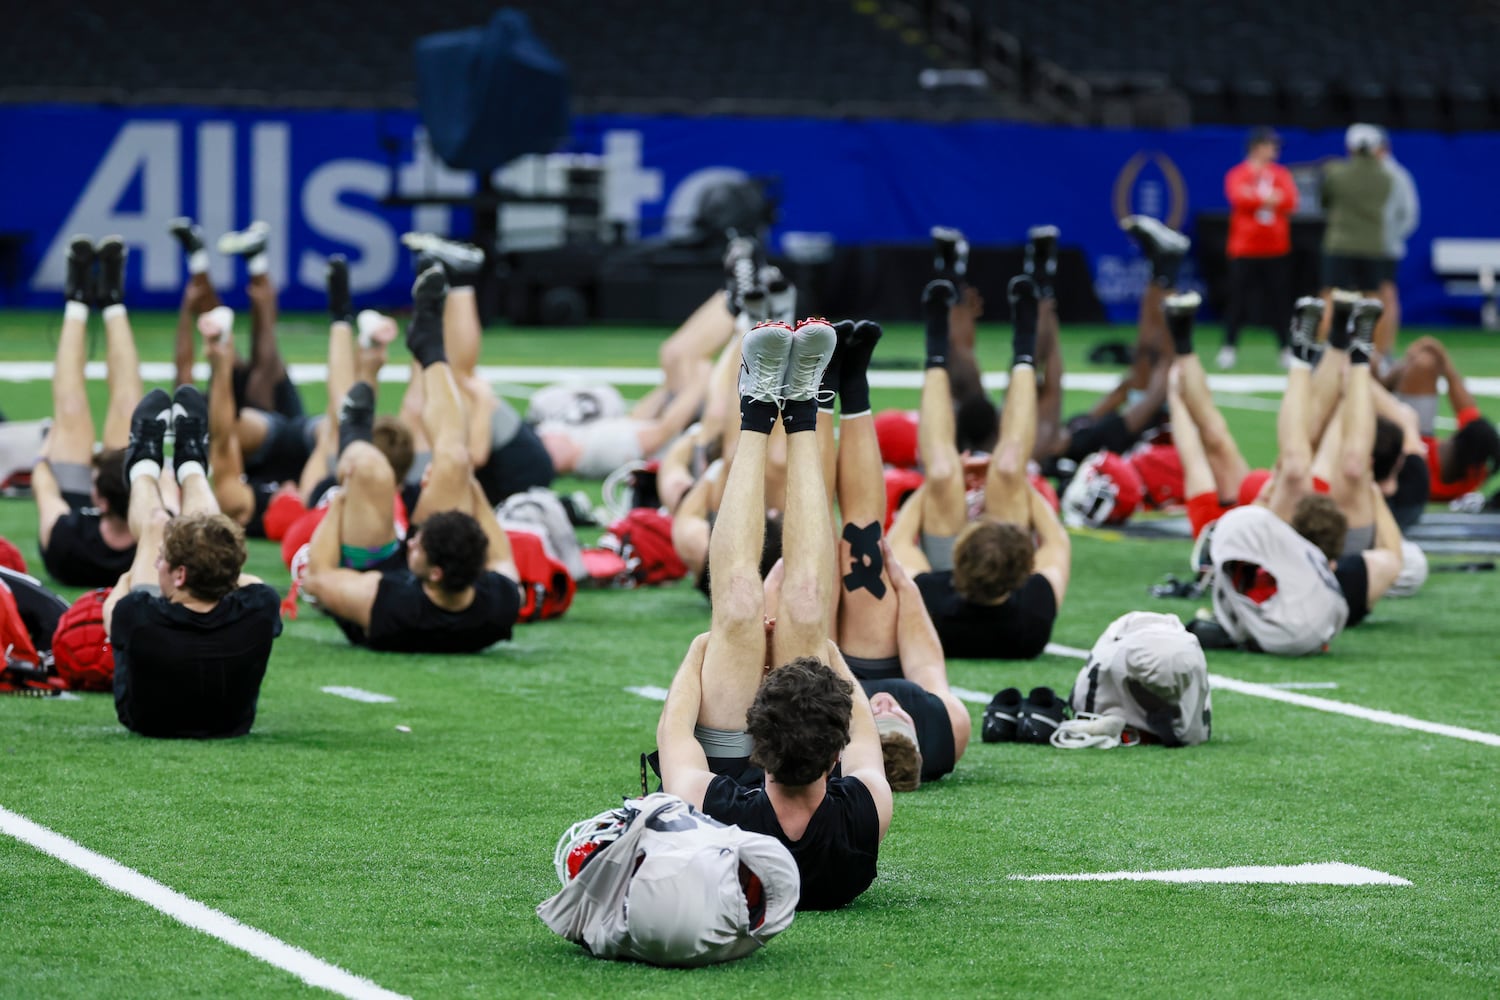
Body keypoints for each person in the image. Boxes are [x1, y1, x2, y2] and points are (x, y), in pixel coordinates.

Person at [655, 316, 892, 911]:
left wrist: (697, 653)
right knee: (808, 604)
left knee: (736, 609)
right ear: (833, 752)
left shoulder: (721, 810)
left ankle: (758, 406)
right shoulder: (862, 813)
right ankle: (805, 405)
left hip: (727, 766)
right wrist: (824, 650)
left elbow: (674, 740)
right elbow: (864, 738)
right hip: (794, 758)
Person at [300, 266, 523, 653]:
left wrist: (341, 499)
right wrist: (469, 484)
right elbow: (501, 554)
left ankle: (352, 431)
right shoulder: (498, 603)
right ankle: (429, 345)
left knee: (369, 471)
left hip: (372, 591)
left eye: (418, 544)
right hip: (423, 586)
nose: (411, 541)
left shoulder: (386, 601)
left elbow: (317, 579)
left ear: (434, 573)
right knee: (454, 458)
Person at [887, 276, 1071, 660]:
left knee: (939, 471)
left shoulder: (934, 601)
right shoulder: (1032, 614)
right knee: (1006, 466)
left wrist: (944, 476)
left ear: (957, 563)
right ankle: (1023, 349)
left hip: (947, 567)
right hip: (999, 556)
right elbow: (1057, 542)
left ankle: (936, 351)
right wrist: (1016, 483)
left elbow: (898, 542)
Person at [103, 385, 283, 738]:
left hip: (149, 724)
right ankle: (192, 465)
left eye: (163, 561)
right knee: (205, 538)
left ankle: (142, 466)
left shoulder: (140, 617)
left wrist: (137, 569)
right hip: (231, 727)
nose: (158, 564)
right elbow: (246, 580)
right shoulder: (261, 608)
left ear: (181, 574)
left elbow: (114, 605)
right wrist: (215, 563)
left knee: (156, 524)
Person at [397, 233, 556, 505]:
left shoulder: (411, 477)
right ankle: (456, 282)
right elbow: (472, 457)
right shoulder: (416, 483)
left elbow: (470, 458)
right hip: (522, 468)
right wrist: (482, 401)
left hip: (506, 463)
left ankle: (441, 288)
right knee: (447, 386)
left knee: (427, 394)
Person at [32, 235, 142, 588]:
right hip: (121, 499)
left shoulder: (67, 540)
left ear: (99, 496)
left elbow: (44, 487)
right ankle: (112, 301)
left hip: (72, 507)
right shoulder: (149, 539)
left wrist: (46, 455)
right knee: (128, 406)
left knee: (70, 407)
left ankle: (78, 300)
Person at [1219, 126, 1298, 370]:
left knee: (1279, 301)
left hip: (1275, 248)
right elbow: (1238, 198)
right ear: (1256, 147)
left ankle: (1285, 348)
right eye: (1269, 145)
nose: (1274, 150)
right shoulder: (1238, 173)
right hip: (1244, 248)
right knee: (1237, 300)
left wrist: (1260, 197)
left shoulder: (1280, 173)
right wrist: (1266, 198)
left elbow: (1290, 201)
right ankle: (1229, 347)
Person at [1390, 336, 1500, 504]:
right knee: (1426, 360)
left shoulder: (1410, 460)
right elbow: (1468, 409)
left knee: (1420, 363)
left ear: (1458, 440)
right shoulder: (1475, 473)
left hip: (1398, 431)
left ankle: (1383, 372)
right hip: (1410, 432)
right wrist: (1441, 357)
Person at [1317, 125, 1392, 340]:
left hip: (1339, 243)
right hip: (1372, 245)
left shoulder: (1336, 172)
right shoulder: (1385, 177)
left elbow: (1325, 201)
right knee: (1372, 300)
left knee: (1330, 296)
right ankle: (1374, 355)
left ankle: (1322, 352)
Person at [1374, 128, 1419, 370]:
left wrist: (1389, 239)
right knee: (1365, 296)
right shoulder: (1365, 173)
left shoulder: (1396, 175)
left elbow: (1409, 215)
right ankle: (1368, 348)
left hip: (1384, 248)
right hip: (1363, 247)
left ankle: (1385, 350)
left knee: (1386, 295)